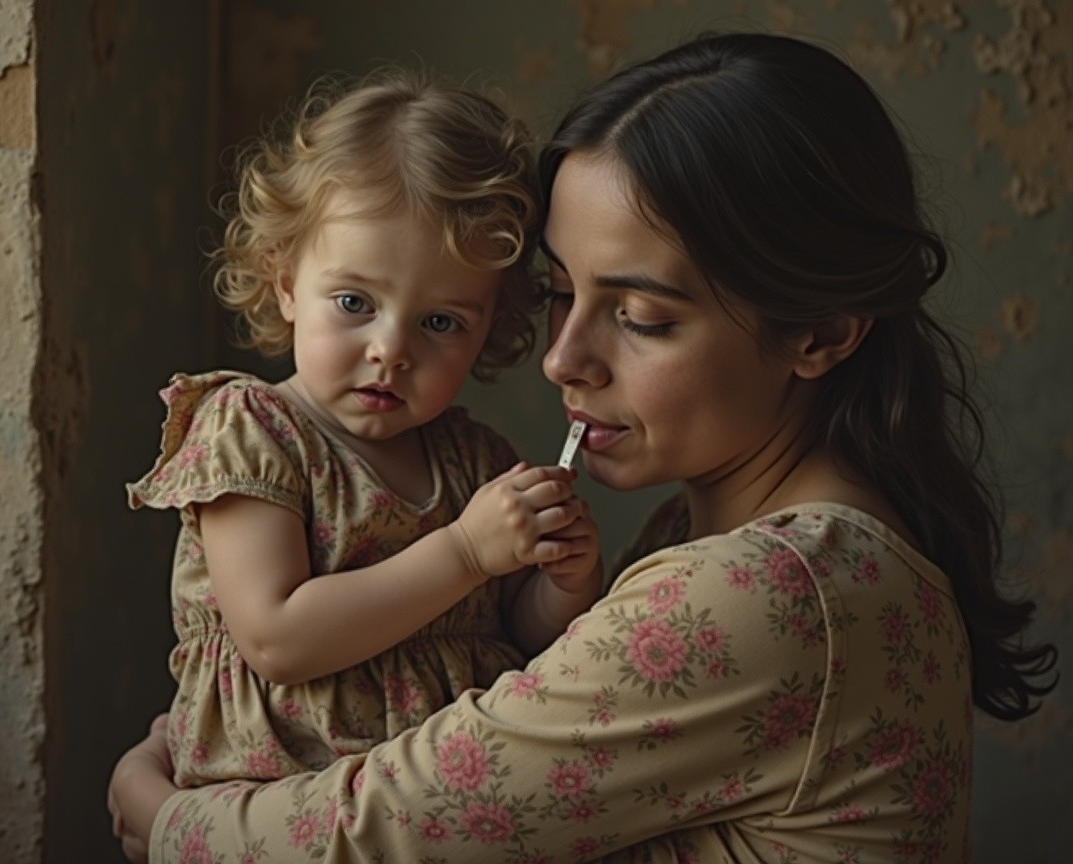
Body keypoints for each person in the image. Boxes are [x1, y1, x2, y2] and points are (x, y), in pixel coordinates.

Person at [109, 32, 1058, 862]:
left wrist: (162, 821)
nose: (564, 360)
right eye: (562, 293)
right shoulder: (723, 547)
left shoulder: (766, 595)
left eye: (640, 317)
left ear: (820, 333)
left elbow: (388, 831)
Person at [123, 69, 603, 791]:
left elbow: (518, 637)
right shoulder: (252, 429)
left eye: (441, 322)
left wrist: (566, 580)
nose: (392, 349)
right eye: (354, 301)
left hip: (433, 808)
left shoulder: (475, 460)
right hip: (278, 806)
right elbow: (277, 637)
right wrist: (469, 548)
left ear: (490, 329)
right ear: (285, 281)